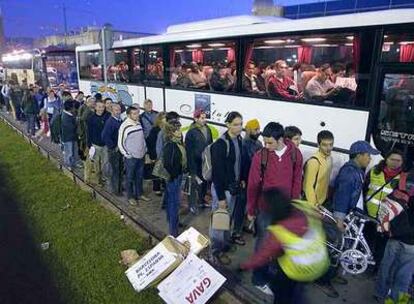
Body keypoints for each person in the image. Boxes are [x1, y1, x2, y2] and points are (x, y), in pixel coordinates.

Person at [240, 189, 329, 304]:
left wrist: (244, 266)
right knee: (297, 292)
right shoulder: (302, 206)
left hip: (297, 269)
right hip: (319, 262)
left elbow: (263, 256)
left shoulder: (280, 231)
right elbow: (320, 215)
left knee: (281, 292)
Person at [247, 121, 303, 294]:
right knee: (263, 243)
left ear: (281, 140)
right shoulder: (260, 156)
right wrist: (251, 209)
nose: (266, 146)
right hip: (265, 209)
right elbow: (253, 184)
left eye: (270, 142)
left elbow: (296, 181)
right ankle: (258, 278)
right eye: (265, 142)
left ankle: (274, 273)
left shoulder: (295, 154)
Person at [375, 171, 414, 303]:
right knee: (404, 273)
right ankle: (395, 300)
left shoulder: (405, 176)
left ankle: (380, 294)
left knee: (386, 266)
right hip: (411, 241)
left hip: (394, 232)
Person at [210, 111, 243, 265]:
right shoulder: (220, 144)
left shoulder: (239, 140)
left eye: (241, 124)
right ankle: (215, 253)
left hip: (233, 188)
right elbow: (217, 173)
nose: (240, 127)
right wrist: (221, 197)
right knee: (218, 223)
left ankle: (224, 245)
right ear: (228, 124)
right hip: (222, 190)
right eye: (236, 124)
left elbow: (238, 163)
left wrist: (241, 180)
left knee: (226, 220)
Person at [364, 149, 404, 268]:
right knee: (367, 240)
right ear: (386, 159)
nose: (395, 162)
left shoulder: (402, 179)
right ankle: (365, 263)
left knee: (382, 245)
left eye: (399, 160)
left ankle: (376, 267)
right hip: (369, 215)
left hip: (386, 219)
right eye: (392, 159)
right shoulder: (374, 171)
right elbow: (364, 189)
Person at [118, 106, 150, 205]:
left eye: (138, 113)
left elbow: (141, 138)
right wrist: (127, 154)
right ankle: (130, 197)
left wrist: (145, 149)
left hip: (141, 156)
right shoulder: (125, 126)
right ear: (128, 115)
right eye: (134, 113)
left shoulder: (138, 123)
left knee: (139, 176)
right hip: (131, 158)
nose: (137, 115)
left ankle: (139, 194)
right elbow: (120, 143)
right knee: (130, 177)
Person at [185, 109, 213, 214]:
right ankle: (192, 205)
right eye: (202, 118)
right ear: (195, 118)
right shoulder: (191, 132)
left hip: (205, 162)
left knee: (204, 182)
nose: (204, 119)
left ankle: (201, 201)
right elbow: (189, 151)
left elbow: (210, 145)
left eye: (205, 117)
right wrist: (191, 166)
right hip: (195, 163)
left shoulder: (208, 129)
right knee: (194, 184)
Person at [163, 120, 187, 237]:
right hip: (174, 178)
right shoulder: (171, 145)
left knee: (172, 202)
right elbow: (167, 164)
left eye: (179, 128)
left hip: (177, 176)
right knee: (174, 203)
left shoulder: (178, 142)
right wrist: (173, 176)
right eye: (177, 129)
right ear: (171, 132)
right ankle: (173, 232)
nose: (180, 131)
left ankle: (174, 223)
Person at [240, 119, 263, 235]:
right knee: (244, 203)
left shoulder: (259, 144)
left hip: (256, 179)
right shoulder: (243, 144)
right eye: (256, 129)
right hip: (247, 179)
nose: (258, 132)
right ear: (248, 130)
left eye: (259, 129)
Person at [303, 130, 335, 206]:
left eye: (331, 144)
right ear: (318, 145)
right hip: (312, 204)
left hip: (322, 202)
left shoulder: (330, 159)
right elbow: (308, 187)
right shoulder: (314, 162)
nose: (328, 148)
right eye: (325, 145)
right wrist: (313, 205)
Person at [86, 100, 110, 186]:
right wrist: (89, 144)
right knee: (96, 164)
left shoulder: (108, 116)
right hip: (95, 145)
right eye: (99, 107)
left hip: (105, 145)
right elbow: (88, 132)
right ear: (95, 107)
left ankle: (104, 177)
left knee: (105, 163)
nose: (101, 109)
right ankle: (97, 180)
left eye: (103, 107)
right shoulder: (91, 119)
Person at [102, 103, 123, 195]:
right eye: (116, 110)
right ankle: (116, 190)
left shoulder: (119, 120)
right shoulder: (110, 122)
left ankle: (119, 186)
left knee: (120, 169)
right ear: (112, 111)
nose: (118, 111)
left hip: (119, 149)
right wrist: (113, 147)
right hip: (114, 150)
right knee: (115, 170)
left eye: (119, 109)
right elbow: (105, 136)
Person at [147, 112, 167, 196]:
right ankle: (156, 188)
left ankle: (163, 185)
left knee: (163, 172)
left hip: (164, 154)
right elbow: (150, 143)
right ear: (160, 120)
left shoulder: (166, 129)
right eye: (164, 118)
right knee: (156, 172)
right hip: (156, 155)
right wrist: (153, 156)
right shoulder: (155, 130)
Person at [61, 100, 78, 170]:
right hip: (68, 138)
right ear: (70, 108)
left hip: (72, 137)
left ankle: (73, 163)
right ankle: (68, 165)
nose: (75, 108)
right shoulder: (65, 116)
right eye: (74, 107)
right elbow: (71, 127)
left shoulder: (69, 115)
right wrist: (76, 122)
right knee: (69, 152)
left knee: (73, 151)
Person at [78, 96, 96, 161]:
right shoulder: (87, 110)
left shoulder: (94, 110)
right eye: (92, 102)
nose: (93, 103)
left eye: (94, 102)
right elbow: (82, 119)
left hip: (93, 134)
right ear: (88, 103)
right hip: (86, 134)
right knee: (87, 150)